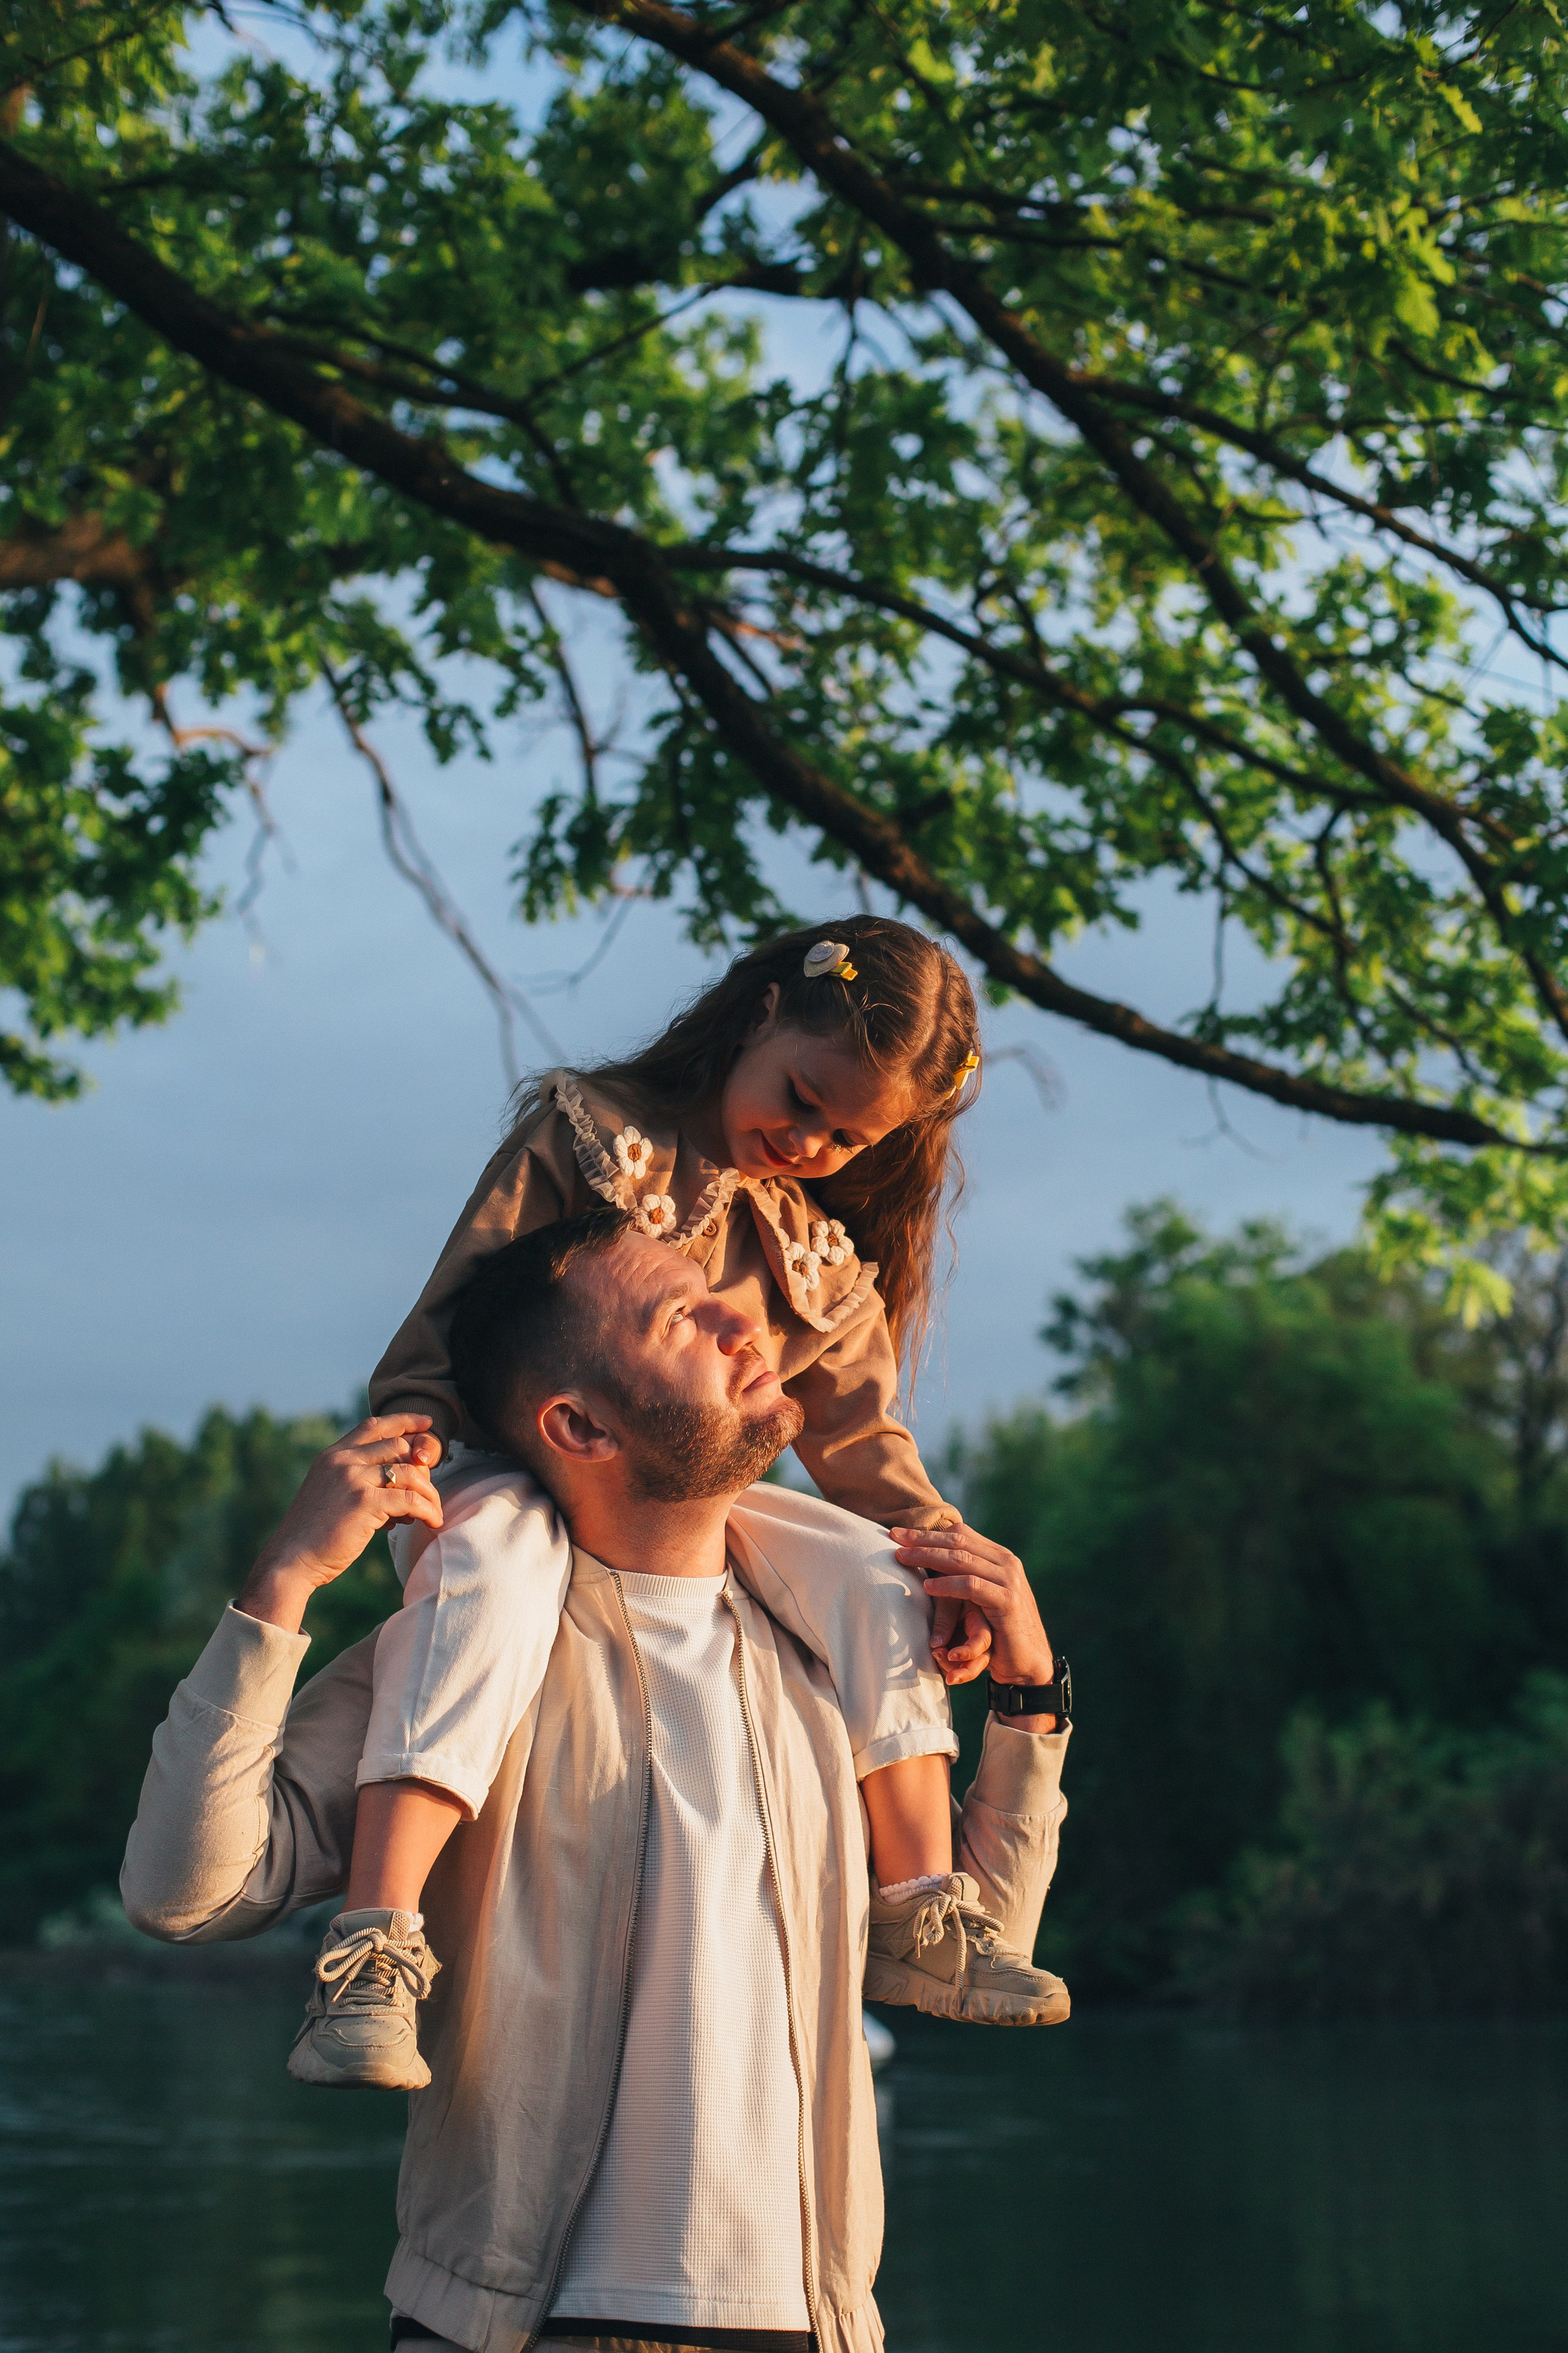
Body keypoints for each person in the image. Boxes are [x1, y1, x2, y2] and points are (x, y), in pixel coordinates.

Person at [121, 1208, 1071, 2353]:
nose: (744, 1322)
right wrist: (283, 1582)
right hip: (516, 2326)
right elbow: (187, 1892)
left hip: (808, 2325)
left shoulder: (834, 1647)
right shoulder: (469, 1646)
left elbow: (984, 1937)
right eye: (683, 1317)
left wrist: (1030, 1701)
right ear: (578, 1423)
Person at [291, 915, 1041, 2089]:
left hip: (693, 1503)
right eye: (802, 1097)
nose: (808, 1141)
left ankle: (920, 1907)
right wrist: (407, 1461)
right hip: (519, 1467)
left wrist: (946, 1551)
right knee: (495, 1566)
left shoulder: (815, 1255)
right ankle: (374, 1945)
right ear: (761, 1015)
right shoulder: (592, 1136)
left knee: (876, 1574)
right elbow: (447, 1320)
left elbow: (859, 1439)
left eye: (848, 1137)